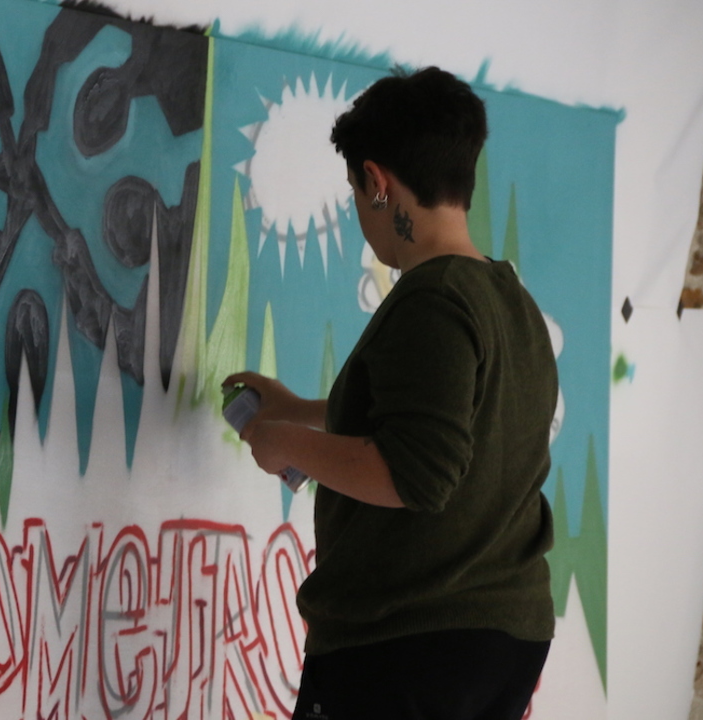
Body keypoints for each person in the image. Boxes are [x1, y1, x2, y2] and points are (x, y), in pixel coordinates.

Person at [224, 66, 557, 720]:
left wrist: (282, 441)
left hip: (409, 645)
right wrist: (300, 411)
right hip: (502, 639)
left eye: (355, 191)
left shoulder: (434, 301)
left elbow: (416, 474)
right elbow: (446, 419)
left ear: (376, 182)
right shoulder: (508, 300)